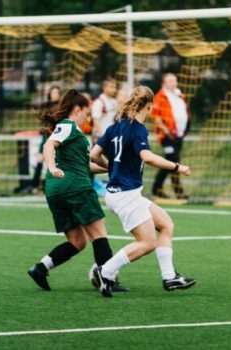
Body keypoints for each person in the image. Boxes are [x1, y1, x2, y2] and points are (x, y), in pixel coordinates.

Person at [90, 86, 197, 298]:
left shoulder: (114, 127)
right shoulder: (137, 128)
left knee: (166, 224)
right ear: (147, 106)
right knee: (147, 242)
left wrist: (110, 167)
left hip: (122, 193)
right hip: (125, 194)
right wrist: (177, 167)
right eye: (150, 108)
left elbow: (94, 154)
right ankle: (105, 272)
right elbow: (147, 157)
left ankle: (169, 277)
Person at [28, 89, 129, 292]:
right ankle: (107, 279)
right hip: (75, 188)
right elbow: (49, 147)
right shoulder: (67, 126)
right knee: (99, 233)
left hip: (56, 191)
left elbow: (84, 165)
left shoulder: (72, 132)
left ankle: (40, 268)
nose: (88, 116)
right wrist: (52, 167)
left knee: (78, 241)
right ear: (77, 109)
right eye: (87, 111)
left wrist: (113, 168)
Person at [151, 73, 191, 199]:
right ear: (164, 83)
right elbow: (156, 117)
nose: (174, 83)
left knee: (174, 162)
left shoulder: (180, 95)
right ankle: (160, 189)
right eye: (170, 80)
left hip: (178, 135)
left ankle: (169, 190)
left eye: (175, 80)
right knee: (171, 160)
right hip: (167, 136)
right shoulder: (159, 97)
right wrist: (167, 131)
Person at [91, 78, 118, 143]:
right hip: (101, 138)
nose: (114, 90)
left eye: (115, 87)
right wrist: (103, 137)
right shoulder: (99, 102)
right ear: (105, 88)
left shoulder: (114, 102)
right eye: (112, 87)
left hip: (112, 137)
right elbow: (96, 121)